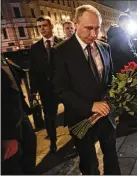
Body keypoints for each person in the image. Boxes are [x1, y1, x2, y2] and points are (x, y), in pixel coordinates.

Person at [53, 5, 121, 175]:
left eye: (97, 28)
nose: (94, 34)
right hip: (80, 118)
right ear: (76, 23)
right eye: (89, 28)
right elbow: (61, 90)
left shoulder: (105, 47)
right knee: (89, 164)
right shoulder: (60, 52)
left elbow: (110, 77)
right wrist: (90, 106)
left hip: (106, 116)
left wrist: (115, 95)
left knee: (112, 157)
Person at [29, 16, 63, 152]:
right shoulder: (35, 47)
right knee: (49, 117)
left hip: (63, 87)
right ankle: (53, 142)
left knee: (72, 113)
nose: (42, 29)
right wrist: (32, 90)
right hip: (46, 90)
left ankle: (77, 138)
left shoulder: (62, 43)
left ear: (52, 26)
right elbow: (33, 71)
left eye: (45, 25)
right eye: (39, 26)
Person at [1, 56, 37, 174]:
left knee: (29, 146)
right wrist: (8, 136)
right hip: (7, 124)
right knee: (12, 163)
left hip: (18, 112)